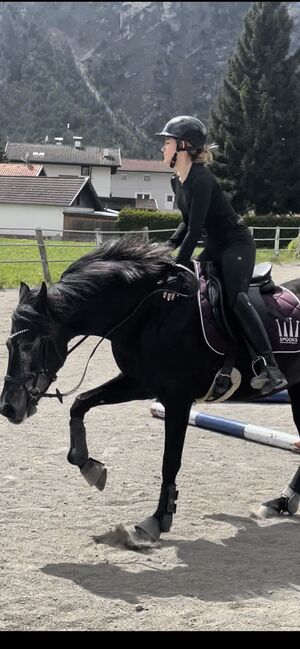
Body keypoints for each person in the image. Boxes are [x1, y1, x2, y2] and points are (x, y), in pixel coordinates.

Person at [156, 115, 287, 395]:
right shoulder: (177, 181)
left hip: (236, 245)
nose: (162, 148)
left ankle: (269, 366)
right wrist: (164, 251)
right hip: (215, 245)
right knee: (194, 291)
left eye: (166, 142)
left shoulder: (202, 179)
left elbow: (194, 230)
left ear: (183, 145)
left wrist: (177, 266)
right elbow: (184, 224)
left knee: (234, 299)